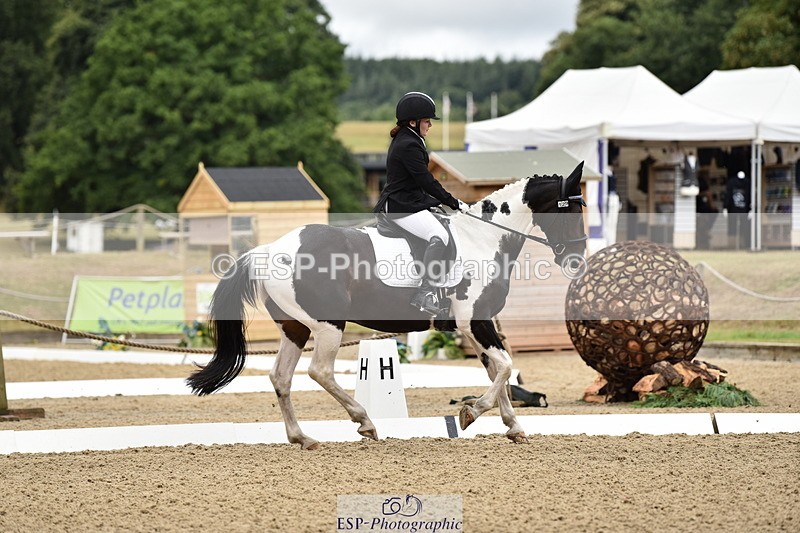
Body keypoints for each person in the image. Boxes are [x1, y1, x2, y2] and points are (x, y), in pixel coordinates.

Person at [374, 91, 468, 316]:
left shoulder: (409, 139)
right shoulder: (409, 144)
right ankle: (425, 292)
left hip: (408, 200)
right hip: (401, 205)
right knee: (440, 236)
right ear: (413, 121)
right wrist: (451, 201)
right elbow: (425, 181)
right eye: (427, 121)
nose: (430, 125)